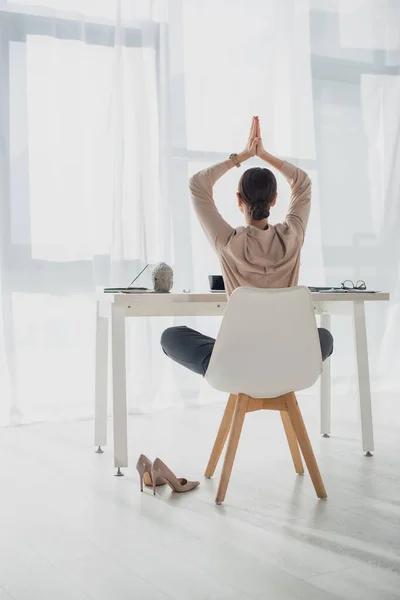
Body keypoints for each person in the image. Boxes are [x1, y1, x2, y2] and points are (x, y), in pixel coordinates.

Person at [161, 116, 333, 375]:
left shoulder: (228, 243)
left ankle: (230, 368)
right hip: (284, 356)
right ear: (275, 200)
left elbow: (197, 184)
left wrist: (242, 156)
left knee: (171, 336)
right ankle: (278, 370)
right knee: (324, 337)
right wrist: (263, 155)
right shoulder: (293, 237)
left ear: (238, 199)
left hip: (239, 360)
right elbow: (303, 183)